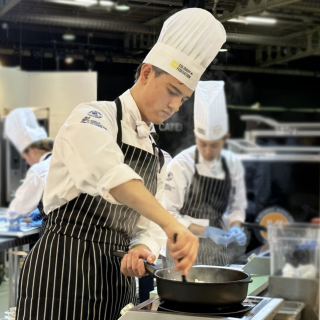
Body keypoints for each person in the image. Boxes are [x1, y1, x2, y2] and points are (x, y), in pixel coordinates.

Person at [16, 8, 226, 320]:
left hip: (115, 280)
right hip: (62, 270)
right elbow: (110, 173)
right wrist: (172, 226)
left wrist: (142, 248)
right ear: (146, 73)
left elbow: (147, 224)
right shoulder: (92, 117)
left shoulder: (156, 154)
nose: (174, 105)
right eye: (171, 91)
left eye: (182, 98)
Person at [163, 81, 247, 266]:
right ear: (196, 136)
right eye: (203, 144)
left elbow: (237, 206)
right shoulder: (181, 165)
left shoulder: (232, 163)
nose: (208, 151)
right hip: (183, 247)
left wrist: (235, 227)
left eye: (215, 145)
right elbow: (168, 214)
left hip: (218, 250)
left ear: (226, 139)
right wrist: (207, 231)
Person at [4, 108, 53, 228]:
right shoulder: (58, 161)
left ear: (31, 151)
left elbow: (18, 209)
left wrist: (9, 217)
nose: (27, 162)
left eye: (25, 158)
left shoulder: (39, 169)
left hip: (59, 233)